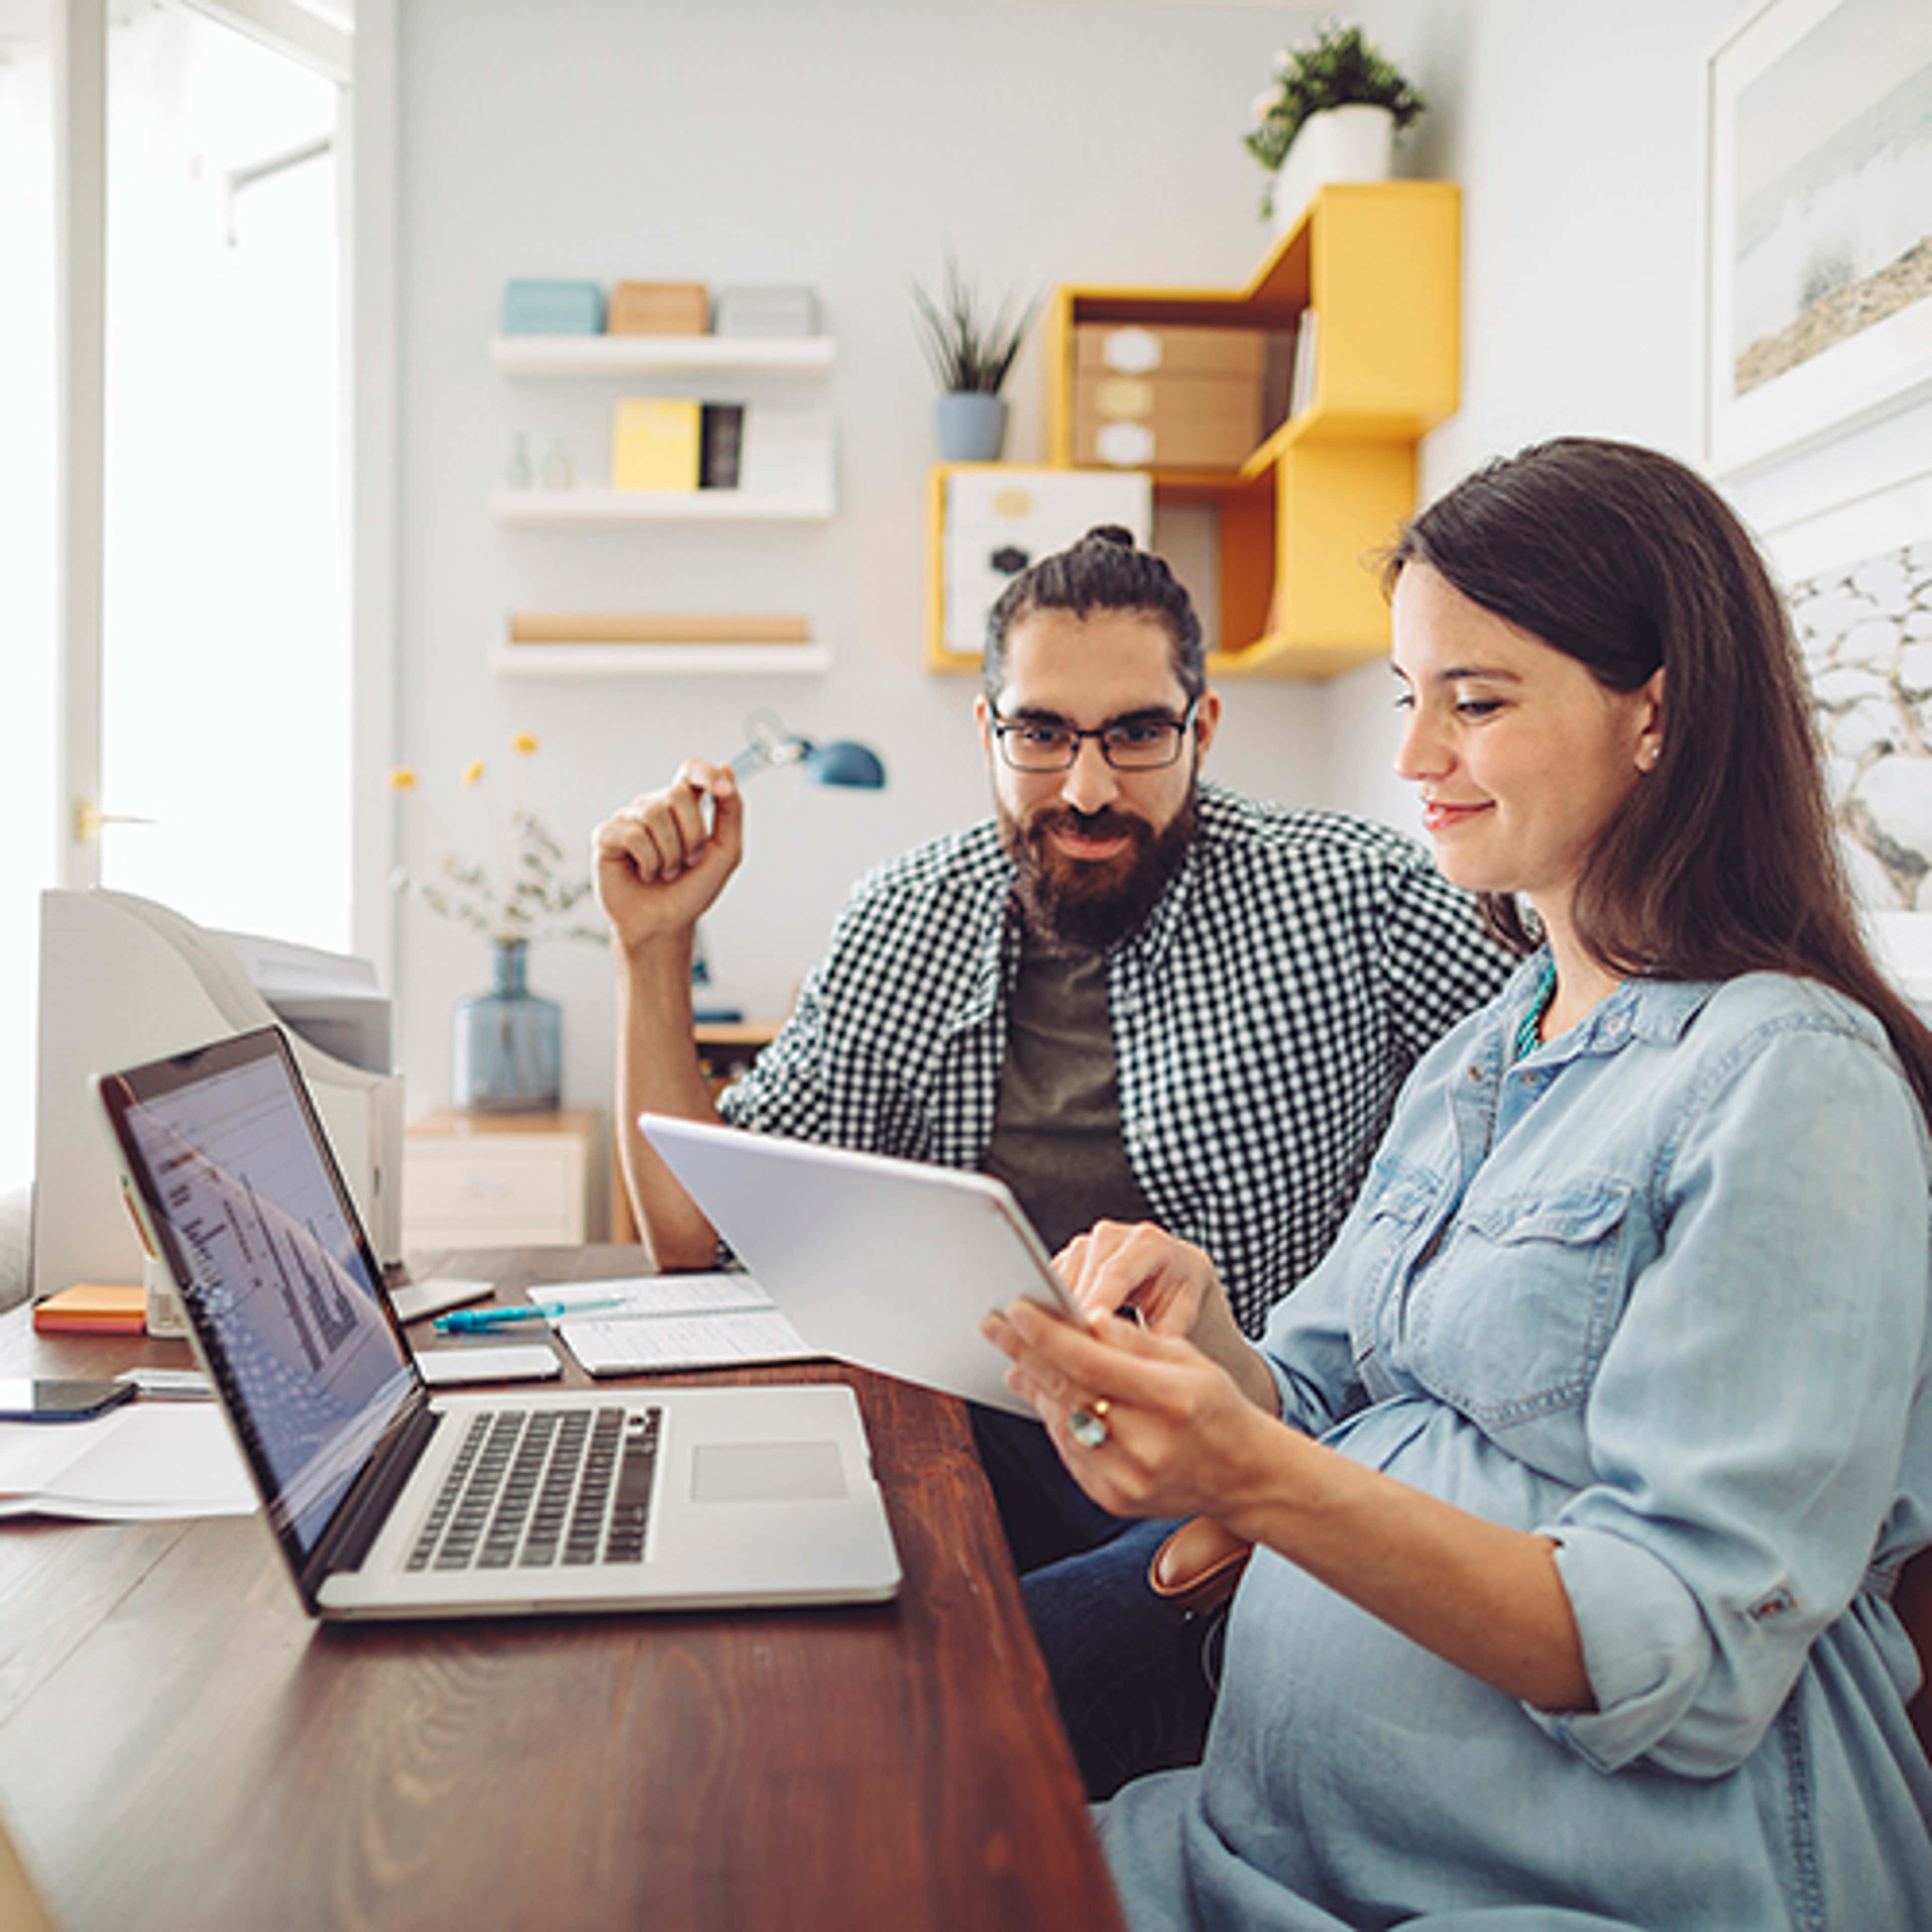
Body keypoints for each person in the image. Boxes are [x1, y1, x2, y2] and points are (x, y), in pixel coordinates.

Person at [986, 438, 1932, 1928]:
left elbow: (1681, 1659)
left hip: (1570, 1892)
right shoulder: (1488, 1052)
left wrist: (1247, 1475)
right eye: (1407, 700)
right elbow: (1324, 1402)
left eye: (1474, 703)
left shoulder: (1789, 1082)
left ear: (1657, 717)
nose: (1416, 760)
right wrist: (1212, 1343)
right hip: (1264, 1843)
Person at [592, 529, 1510, 1586]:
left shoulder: (1358, 897)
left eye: (1135, 735)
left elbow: (1567, 1093)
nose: (1084, 789)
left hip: (1246, 1473)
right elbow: (691, 1233)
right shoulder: (904, 918)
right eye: (1041, 734)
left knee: (970, 1676)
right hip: (982, 1439)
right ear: (988, 731)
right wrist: (652, 942)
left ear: (1201, 728)